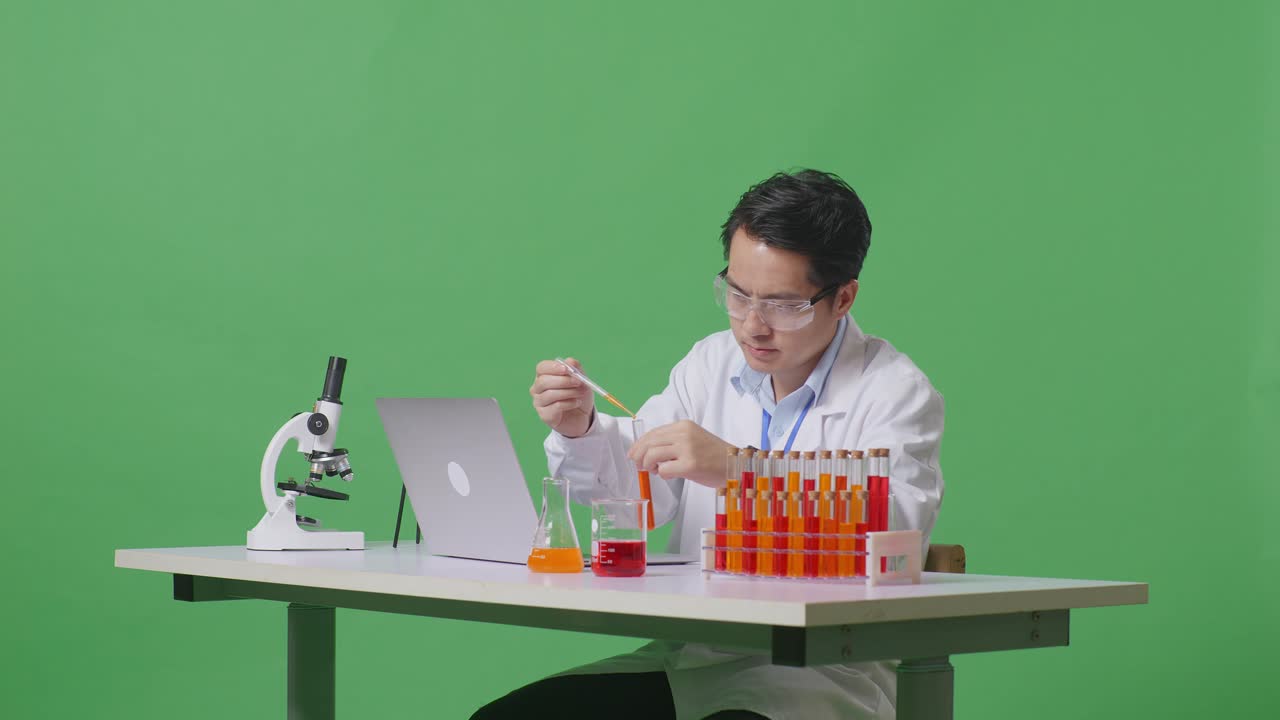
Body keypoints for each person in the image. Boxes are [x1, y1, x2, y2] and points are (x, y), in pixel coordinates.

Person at [474, 169, 944, 720]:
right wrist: (581, 427)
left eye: (783, 305)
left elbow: (890, 527)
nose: (752, 325)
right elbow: (643, 490)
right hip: (693, 656)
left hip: (819, 671)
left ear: (842, 298)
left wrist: (737, 468)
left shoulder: (894, 392)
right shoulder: (710, 362)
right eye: (738, 294)